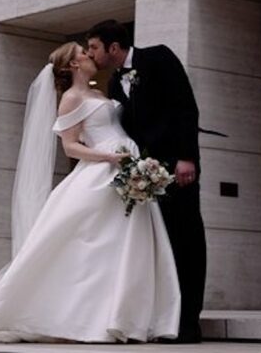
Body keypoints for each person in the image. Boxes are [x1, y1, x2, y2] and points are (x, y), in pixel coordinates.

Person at [0, 42, 181, 344]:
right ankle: (84, 318)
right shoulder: (71, 99)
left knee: (119, 245)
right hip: (102, 173)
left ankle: (118, 317)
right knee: (90, 243)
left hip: (126, 172)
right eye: (84, 53)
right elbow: (71, 146)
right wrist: (110, 158)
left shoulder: (102, 93)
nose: (90, 55)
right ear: (73, 65)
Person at [86, 19, 206, 343]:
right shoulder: (113, 84)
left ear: (113, 47)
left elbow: (185, 107)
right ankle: (164, 319)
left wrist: (186, 157)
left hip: (176, 165)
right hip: (143, 174)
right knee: (159, 246)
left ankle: (189, 323)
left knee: (186, 239)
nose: (90, 54)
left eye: (94, 47)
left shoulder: (158, 58)